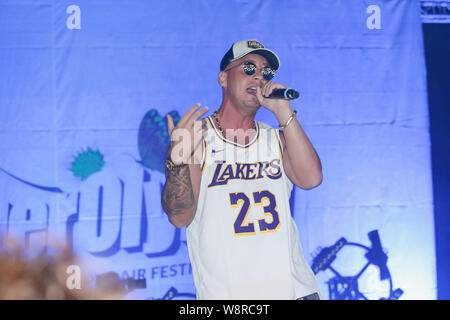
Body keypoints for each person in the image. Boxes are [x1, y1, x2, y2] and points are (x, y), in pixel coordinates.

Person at [161, 39, 322, 300]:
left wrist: (283, 111)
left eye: (266, 72)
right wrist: (177, 159)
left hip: (295, 291)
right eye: (248, 68)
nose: (259, 76)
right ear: (223, 78)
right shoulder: (197, 139)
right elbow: (179, 217)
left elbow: (312, 178)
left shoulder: (277, 138)